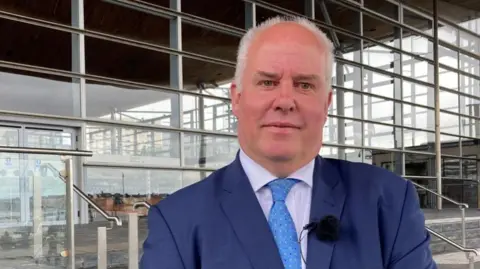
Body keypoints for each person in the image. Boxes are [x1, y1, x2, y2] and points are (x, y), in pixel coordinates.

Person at [140, 16, 437, 269]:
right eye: (267, 82)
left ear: (326, 103)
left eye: (304, 84)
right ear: (236, 98)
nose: (284, 101)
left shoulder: (388, 202)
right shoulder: (177, 221)